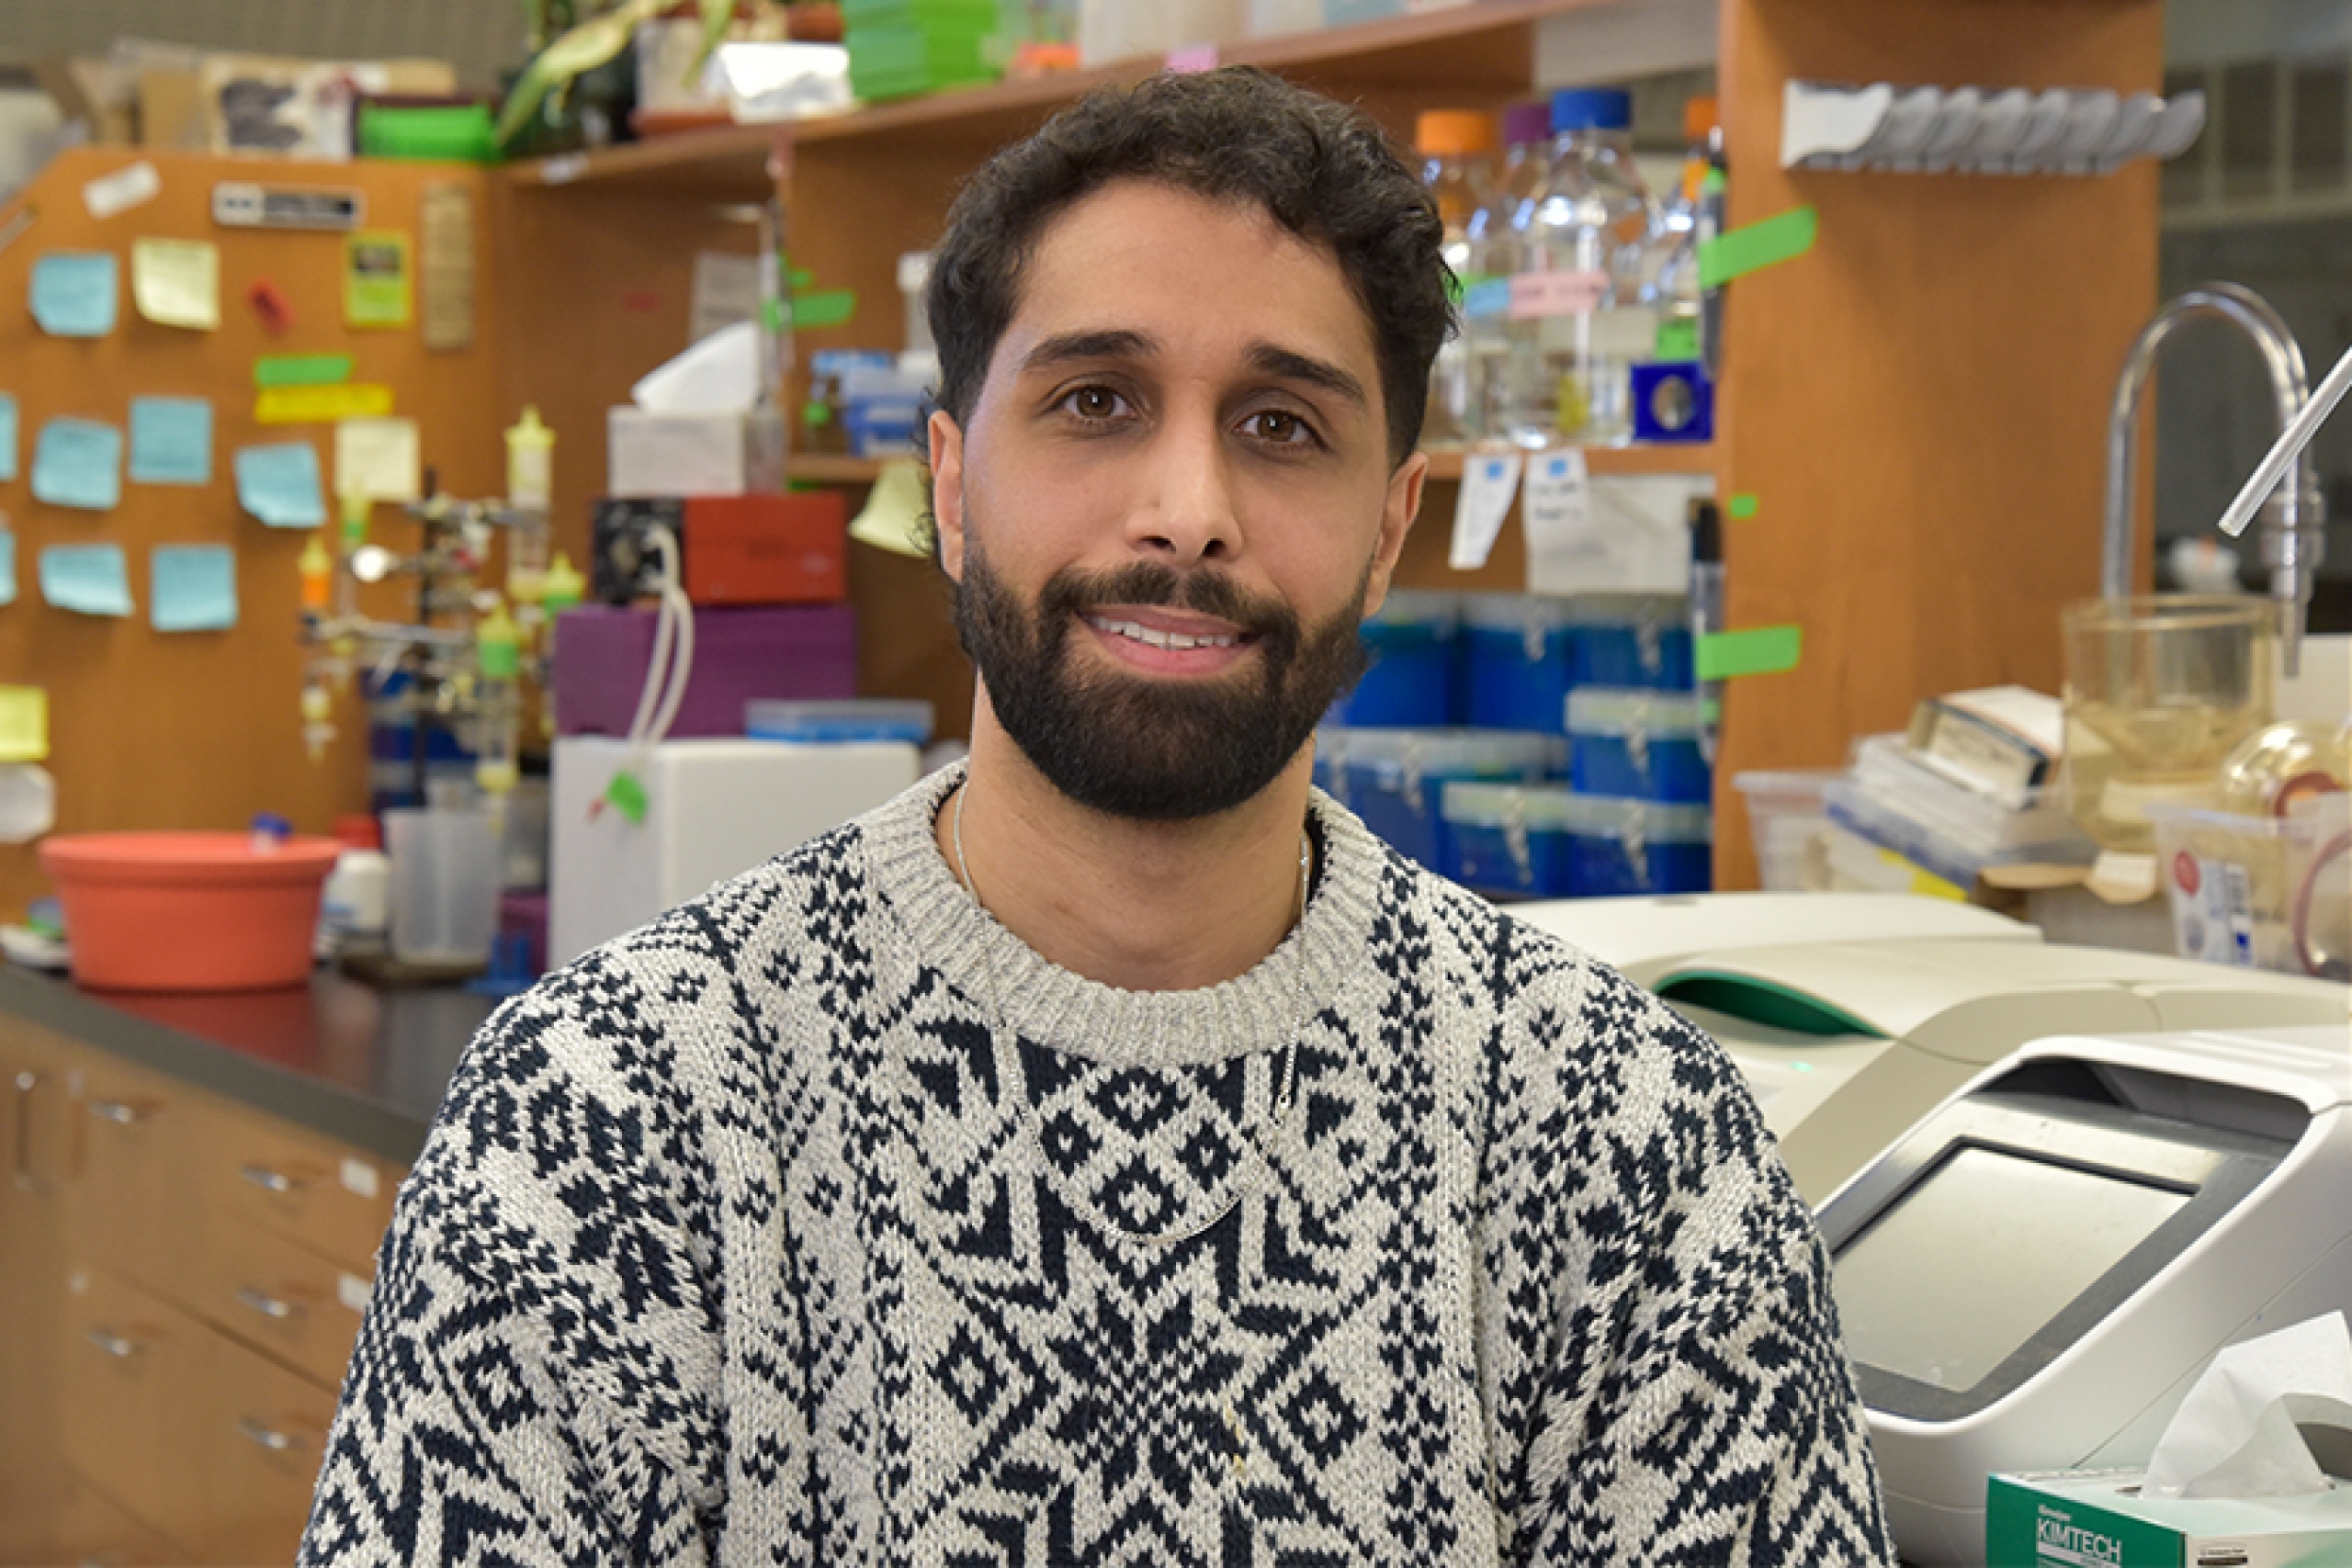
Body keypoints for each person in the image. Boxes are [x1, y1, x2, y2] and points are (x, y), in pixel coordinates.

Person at [300, 66, 1894, 1566]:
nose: (1187, 513)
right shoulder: (606, 1115)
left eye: (1284, 427)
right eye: (1096, 403)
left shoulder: (1631, 1151)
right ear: (949, 484)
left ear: (1392, 527)